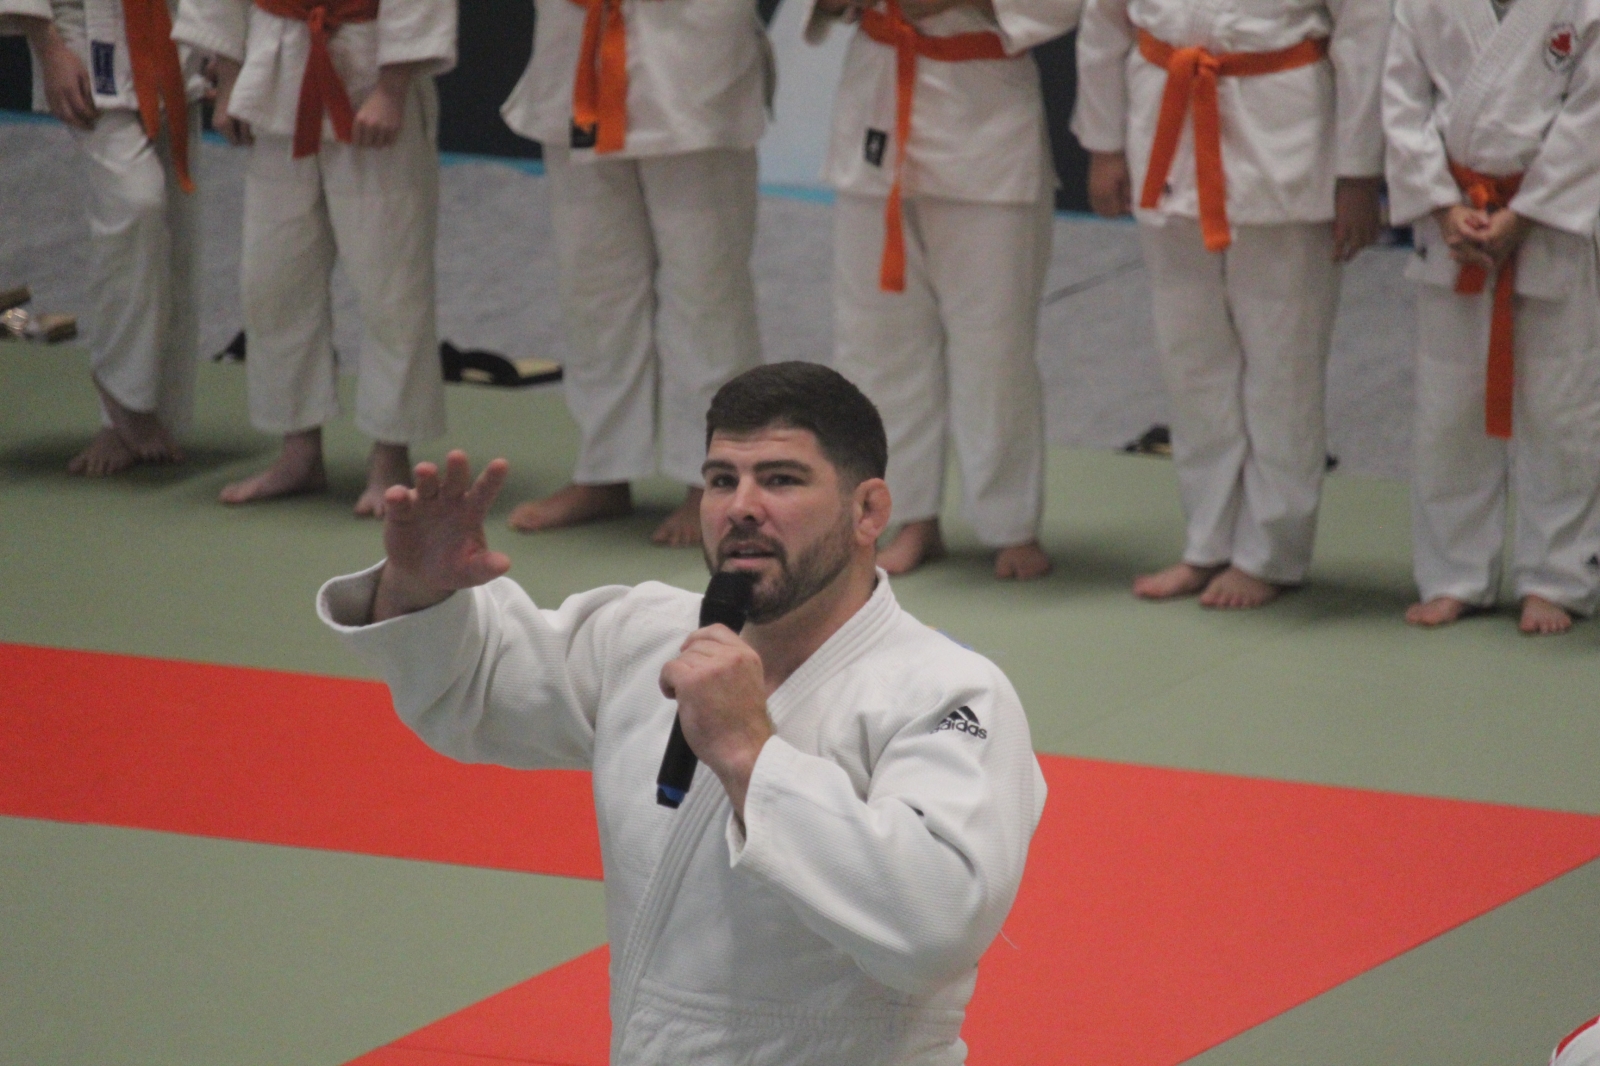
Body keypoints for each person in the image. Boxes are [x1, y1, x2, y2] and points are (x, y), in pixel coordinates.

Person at [317, 361, 1046, 1065]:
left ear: (868, 511)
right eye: (722, 479)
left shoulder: (947, 692)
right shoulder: (646, 635)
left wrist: (750, 752)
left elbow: (936, 923)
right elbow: (474, 686)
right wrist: (419, 589)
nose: (741, 507)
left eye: (781, 480)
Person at [1073, 0, 1389, 607]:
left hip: (1284, 135)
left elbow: (1365, 34)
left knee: (1283, 365)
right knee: (1191, 361)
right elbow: (1103, 24)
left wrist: (1358, 172)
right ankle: (1207, 541)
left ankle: (1271, 551)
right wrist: (1104, 145)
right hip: (1165, 123)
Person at [805, 0, 1079, 580]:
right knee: (878, 340)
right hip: (877, 101)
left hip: (984, 120)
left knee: (994, 346)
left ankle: (1010, 524)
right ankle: (907, 516)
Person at [496, 0, 769, 547]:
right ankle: (603, 470)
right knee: (594, 286)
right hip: (577, 43)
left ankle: (713, 478)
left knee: (706, 291)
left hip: (692, 56)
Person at [172, 0, 455, 516]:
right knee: (274, 278)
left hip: (369, 71)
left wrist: (393, 88)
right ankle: (298, 451)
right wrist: (230, 78)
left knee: (391, 283)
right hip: (276, 75)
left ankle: (390, 456)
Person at [1384, 0, 1600, 635]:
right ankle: (1454, 573)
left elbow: (1591, 115)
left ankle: (1557, 576)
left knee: (1559, 407)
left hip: (1554, 226)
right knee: (1447, 406)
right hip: (1455, 223)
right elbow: (1402, 102)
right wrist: (1442, 205)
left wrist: (1526, 214)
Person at [3, 0, 202, 476]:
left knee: (174, 233)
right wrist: (49, 48)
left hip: (177, 30)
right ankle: (121, 402)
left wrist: (225, 43)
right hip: (87, 35)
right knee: (136, 204)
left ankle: (150, 405)